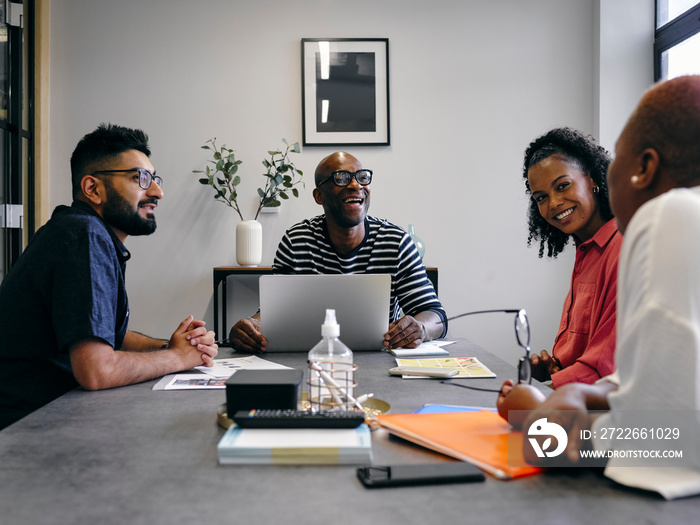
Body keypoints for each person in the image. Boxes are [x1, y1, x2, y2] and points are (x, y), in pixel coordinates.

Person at [502, 75, 700, 500]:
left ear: (643, 168)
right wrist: (578, 391)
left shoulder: (672, 214)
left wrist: (534, 415)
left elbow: (664, 444)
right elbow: (650, 388)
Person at [0, 124, 218, 431]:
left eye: (154, 178)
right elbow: (96, 370)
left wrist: (169, 347)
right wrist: (178, 358)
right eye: (141, 178)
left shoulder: (80, 231)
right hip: (26, 432)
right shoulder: (84, 235)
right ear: (93, 189)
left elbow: (97, 332)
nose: (157, 191)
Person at [229, 151, 447, 353]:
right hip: (309, 360)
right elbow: (272, 314)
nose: (355, 185)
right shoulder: (296, 242)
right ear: (319, 196)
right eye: (341, 178)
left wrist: (421, 328)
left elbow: (435, 315)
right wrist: (251, 326)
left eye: (362, 177)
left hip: (381, 362)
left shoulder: (396, 242)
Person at [523, 128, 622, 387]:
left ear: (591, 178)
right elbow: (588, 352)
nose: (553, 203)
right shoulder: (585, 251)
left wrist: (549, 390)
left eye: (562, 186)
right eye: (541, 197)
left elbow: (606, 365)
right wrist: (556, 368)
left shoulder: (623, 247)